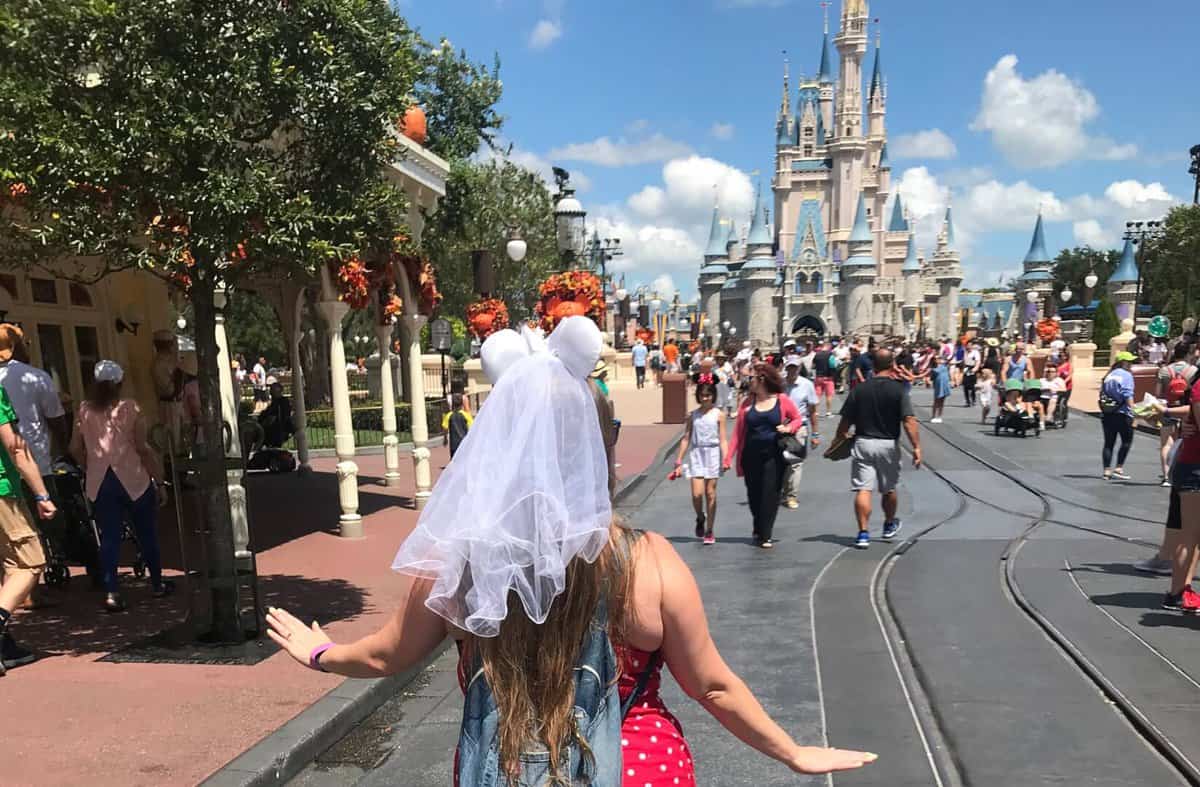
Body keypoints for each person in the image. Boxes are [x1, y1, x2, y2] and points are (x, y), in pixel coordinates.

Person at [264, 317, 877, 783]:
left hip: (504, 769)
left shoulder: (465, 562)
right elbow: (711, 686)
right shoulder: (647, 561)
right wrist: (791, 752)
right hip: (634, 766)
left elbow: (385, 657)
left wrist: (322, 653)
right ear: (596, 444)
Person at [69, 361, 172, 612]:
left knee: (110, 537)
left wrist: (89, 466)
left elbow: (74, 448)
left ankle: (112, 591)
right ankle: (157, 584)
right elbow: (142, 447)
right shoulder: (131, 408)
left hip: (101, 482)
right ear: (120, 383)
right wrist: (159, 480)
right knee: (146, 532)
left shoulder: (83, 410)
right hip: (133, 477)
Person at [833, 350, 921, 549]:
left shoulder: (860, 389)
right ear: (892, 365)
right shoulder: (898, 390)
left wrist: (839, 438)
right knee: (888, 488)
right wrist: (916, 447)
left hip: (863, 442)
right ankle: (889, 524)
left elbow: (846, 419)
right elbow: (908, 420)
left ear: (873, 366)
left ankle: (863, 533)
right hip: (888, 444)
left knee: (863, 489)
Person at [0, 381, 58, 675]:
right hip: (2, 493)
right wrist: (42, 494)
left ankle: (5, 644)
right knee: (31, 562)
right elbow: (15, 448)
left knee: (10, 564)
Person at [723, 363, 805, 549]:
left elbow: (797, 418)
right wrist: (728, 457)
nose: (748, 381)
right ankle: (758, 526)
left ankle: (765, 534)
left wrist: (788, 427)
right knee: (754, 495)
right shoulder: (747, 403)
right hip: (750, 455)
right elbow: (738, 433)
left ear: (761, 379)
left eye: (751, 378)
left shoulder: (781, 400)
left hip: (774, 455)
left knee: (770, 493)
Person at [0, 324, 67, 476]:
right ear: (16, 347)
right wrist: (64, 450)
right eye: (26, 343)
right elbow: (57, 421)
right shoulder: (36, 376)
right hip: (36, 467)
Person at [673, 377, 727, 545]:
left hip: (712, 453)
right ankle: (700, 517)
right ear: (698, 396)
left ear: (713, 395)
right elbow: (686, 438)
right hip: (697, 453)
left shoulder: (719, 415)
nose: (705, 398)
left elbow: (723, 439)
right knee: (697, 494)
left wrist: (726, 457)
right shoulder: (693, 416)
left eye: (708, 395)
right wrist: (679, 460)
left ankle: (710, 530)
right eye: (703, 395)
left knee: (710, 493)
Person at [1158, 343, 1198, 486]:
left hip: (1168, 407)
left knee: (1166, 443)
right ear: (1188, 353)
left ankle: (1166, 476)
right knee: (1183, 441)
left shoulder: (1164, 370)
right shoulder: (1193, 370)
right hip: (1186, 409)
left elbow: (1158, 393)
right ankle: (1178, 471)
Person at [782, 361, 820, 510]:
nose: (792, 371)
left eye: (794, 368)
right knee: (783, 461)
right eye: (789, 368)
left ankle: (792, 495)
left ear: (799, 368)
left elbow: (812, 411)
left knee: (795, 462)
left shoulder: (806, 385)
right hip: (782, 427)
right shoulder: (780, 385)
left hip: (799, 428)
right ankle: (784, 490)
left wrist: (815, 433)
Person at [1099, 352, 1137, 481]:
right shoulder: (1126, 375)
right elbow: (1128, 395)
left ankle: (1106, 471)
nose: (1131, 364)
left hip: (1108, 413)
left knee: (1109, 443)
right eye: (1130, 362)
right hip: (1122, 413)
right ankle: (1119, 468)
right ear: (1124, 362)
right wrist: (1134, 413)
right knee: (1126, 441)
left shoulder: (1109, 375)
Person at [441, 393, 473, 460]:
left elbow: (445, 428)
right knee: (465, 460)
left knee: (454, 461)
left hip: (454, 444)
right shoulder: (466, 415)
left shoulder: (449, 415)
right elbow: (471, 428)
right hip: (464, 443)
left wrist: (445, 439)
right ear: (462, 404)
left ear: (452, 404)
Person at [812, 342, 837, 418]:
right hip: (828, 377)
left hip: (819, 377)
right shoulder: (830, 355)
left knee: (817, 395)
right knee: (828, 395)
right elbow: (833, 366)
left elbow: (813, 366)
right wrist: (834, 375)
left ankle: (816, 411)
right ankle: (828, 412)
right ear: (828, 347)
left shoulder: (817, 355)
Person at [929, 354, 950, 424]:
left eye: (939, 358)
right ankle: (933, 416)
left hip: (944, 385)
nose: (938, 360)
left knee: (942, 401)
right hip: (938, 385)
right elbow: (931, 378)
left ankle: (939, 416)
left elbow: (948, 360)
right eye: (936, 359)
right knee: (936, 401)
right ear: (934, 360)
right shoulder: (933, 368)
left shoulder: (944, 366)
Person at [962, 342, 981, 407]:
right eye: (968, 345)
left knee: (972, 386)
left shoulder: (975, 352)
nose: (969, 346)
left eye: (970, 345)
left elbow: (977, 362)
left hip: (973, 368)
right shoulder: (965, 352)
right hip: (966, 368)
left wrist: (975, 369)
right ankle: (967, 401)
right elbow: (963, 361)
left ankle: (973, 399)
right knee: (965, 386)